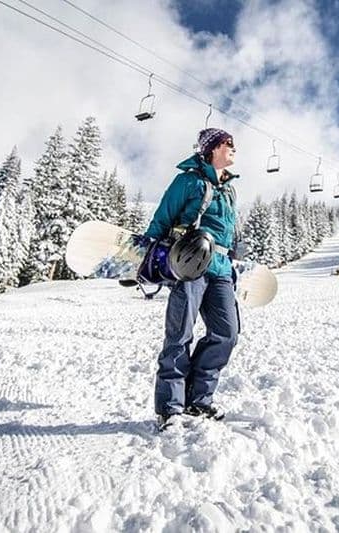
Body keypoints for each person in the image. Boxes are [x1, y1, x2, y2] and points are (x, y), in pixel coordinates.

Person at [143, 128, 240, 431]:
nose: (233, 148)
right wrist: (149, 259)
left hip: (221, 269)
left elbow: (228, 233)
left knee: (227, 334)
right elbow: (162, 217)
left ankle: (198, 400)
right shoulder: (188, 181)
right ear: (211, 149)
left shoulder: (229, 189)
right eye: (228, 144)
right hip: (190, 266)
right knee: (180, 335)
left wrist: (233, 264)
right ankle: (170, 407)